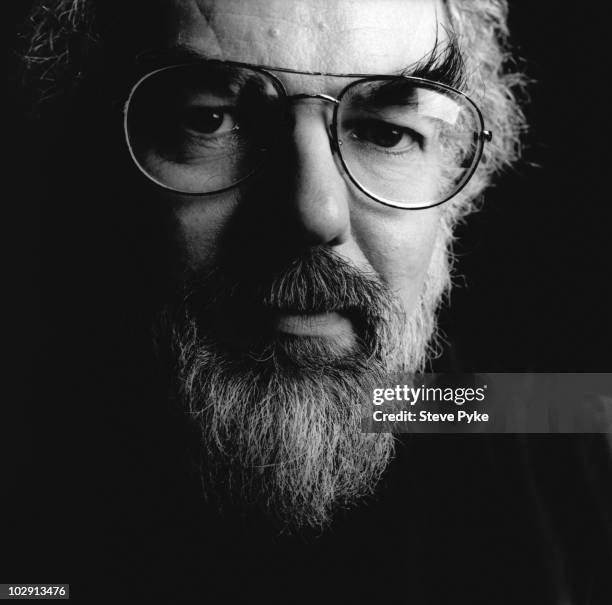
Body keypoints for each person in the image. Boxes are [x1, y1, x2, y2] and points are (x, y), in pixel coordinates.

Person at [16, 0, 612, 603]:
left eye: (386, 132)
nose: (313, 212)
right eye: (209, 119)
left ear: (456, 178)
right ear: (86, 156)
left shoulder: (560, 431)